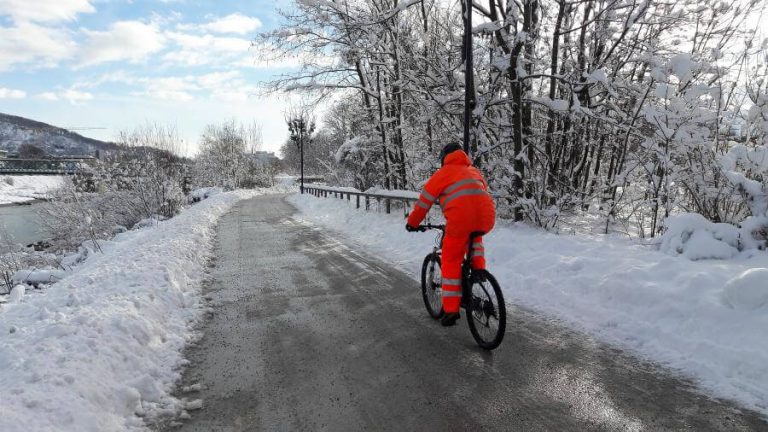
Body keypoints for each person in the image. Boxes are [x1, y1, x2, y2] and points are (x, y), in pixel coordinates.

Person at [406, 143, 496, 326]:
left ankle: (451, 310)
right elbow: (478, 195)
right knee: (474, 238)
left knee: (450, 259)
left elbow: (424, 202)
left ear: (445, 157)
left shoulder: (443, 174)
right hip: (486, 218)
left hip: (461, 221)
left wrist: (412, 223)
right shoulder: (474, 171)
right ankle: (478, 271)